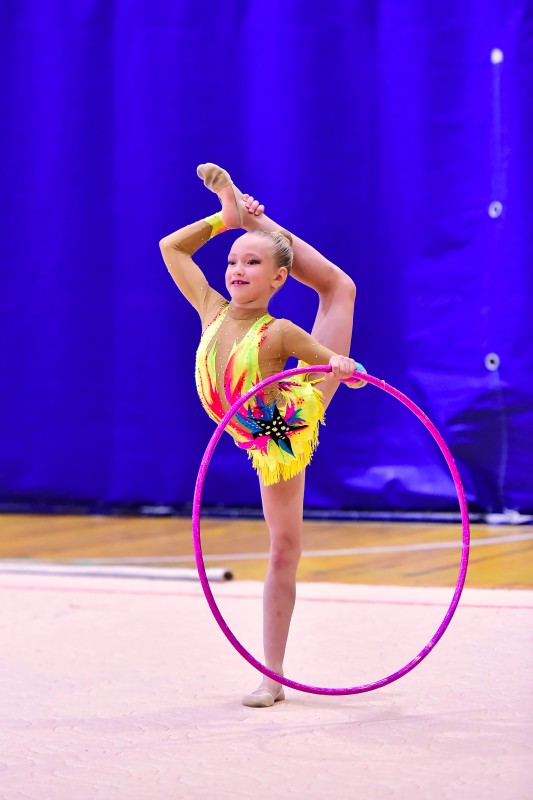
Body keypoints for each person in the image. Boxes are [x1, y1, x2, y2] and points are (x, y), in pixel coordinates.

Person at [159, 164, 366, 707]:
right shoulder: (210, 310)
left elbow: (332, 363)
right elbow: (171, 248)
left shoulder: (280, 332)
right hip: (253, 430)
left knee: (283, 548)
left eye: (252, 263)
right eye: (232, 261)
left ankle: (271, 676)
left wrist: (344, 367)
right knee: (338, 286)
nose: (236, 269)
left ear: (277, 280)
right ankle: (251, 220)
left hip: (285, 428)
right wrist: (224, 221)